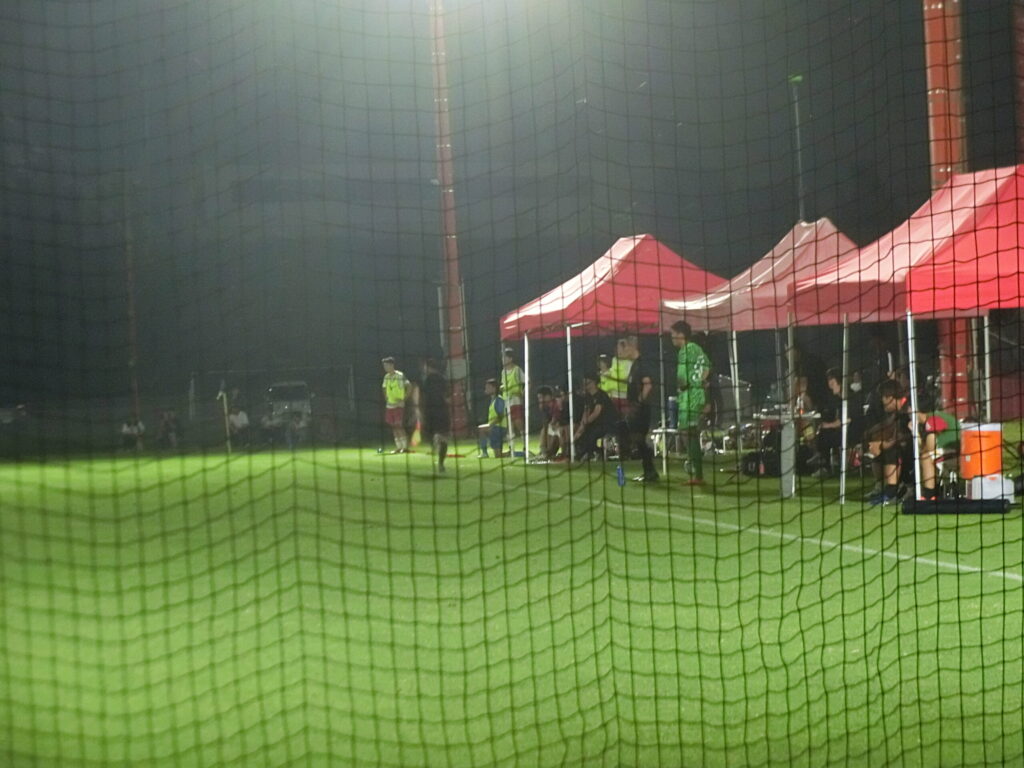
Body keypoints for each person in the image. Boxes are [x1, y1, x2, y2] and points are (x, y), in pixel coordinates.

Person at [671, 320, 711, 486]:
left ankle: (696, 472)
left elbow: (681, 378)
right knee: (690, 432)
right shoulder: (697, 349)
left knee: (687, 433)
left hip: (689, 397)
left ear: (681, 335)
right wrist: (700, 384)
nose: (672, 338)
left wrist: (682, 387)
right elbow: (707, 368)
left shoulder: (684, 351)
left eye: (673, 334)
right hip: (698, 394)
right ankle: (696, 470)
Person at [617, 335, 658, 483]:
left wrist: (639, 402)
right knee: (637, 440)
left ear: (631, 346)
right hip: (636, 409)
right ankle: (649, 471)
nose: (620, 352)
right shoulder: (635, 365)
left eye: (622, 348)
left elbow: (648, 384)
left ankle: (650, 471)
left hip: (641, 410)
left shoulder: (641, 364)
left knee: (638, 439)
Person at [864, 379, 912, 505]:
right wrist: (870, 434)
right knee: (882, 450)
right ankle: (890, 487)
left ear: (890, 397)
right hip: (905, 447)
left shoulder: (907, 411)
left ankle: (892, 491)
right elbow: (887, 425)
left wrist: (881, 445)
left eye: (883, 398)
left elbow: (903, 438)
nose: (882, 401)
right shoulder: (897, 412)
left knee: (892, 451)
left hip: (915, 450)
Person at [915, 395, 960, 500]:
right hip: (956, 451)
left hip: (954, 453)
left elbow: (930, 445)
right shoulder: (939, 416)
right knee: (926, 455)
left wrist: (920, 444)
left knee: (926, 457)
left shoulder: (932, 419)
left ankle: (929, 494)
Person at [573, 374, 617, 462]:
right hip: (594, 424)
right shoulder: (588, 396)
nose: (585, 385)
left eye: (587, 383)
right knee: (580, 437)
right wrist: (581, 428)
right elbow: (586, 411)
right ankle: (589, 453)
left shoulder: (601, 395)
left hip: (606, 423)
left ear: (594, 383)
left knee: (591, 435)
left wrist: (586, 424)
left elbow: (596, 412)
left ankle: (593, 453)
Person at [418, 358, 451, 474]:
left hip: (430, 411)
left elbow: (423, 396)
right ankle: (441, 463)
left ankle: (434, 441)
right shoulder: (443, 379)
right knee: (444, 437)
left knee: (430, 433)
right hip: (442, 410)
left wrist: (420, 410)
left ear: (428, 367)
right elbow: (448, 396)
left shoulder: (426, 380)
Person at [812, 369, 843, 477]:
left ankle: (823, 461)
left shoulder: (849, 398)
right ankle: (822, 458)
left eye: (832, 382)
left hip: (850, 432)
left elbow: (846, 420)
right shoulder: (836, 399)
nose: (830, 385)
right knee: (823, 431)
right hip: (839, 430)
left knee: (825, 435)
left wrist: (828, 425)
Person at [381, 356, 411, 453]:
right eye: (384, 366)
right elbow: (384, 388)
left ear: (392, 365)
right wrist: (386, 398)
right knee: (393, 426)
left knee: (399, 425)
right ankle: (398, 447)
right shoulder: (386, 377)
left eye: (386, 365)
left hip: (398, 404)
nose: (385, 367)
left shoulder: (400, 375)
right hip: (390, 405)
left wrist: (404, 399)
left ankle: (405, 447)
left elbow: (409, 386)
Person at [500, 348, 525, 446]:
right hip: (506, 400)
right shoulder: (503, 372)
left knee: (518, 421)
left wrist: (523, 393)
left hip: (515, 400)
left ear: (510, 358)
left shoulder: (517, 370)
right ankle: (511, 446)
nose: (503, 359)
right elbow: (503, 384)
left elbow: (527, 382)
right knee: (508, 423)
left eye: (505, 357)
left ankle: (524, 442)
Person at [478, 379, 507, 458]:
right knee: (498, 455)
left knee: (481, 429)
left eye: (488, 387)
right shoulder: (493, 399)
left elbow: (500, 416)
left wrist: (491, 425)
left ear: (494, 388)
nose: (486, 389)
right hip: (496, 427)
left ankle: (484, 453)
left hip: (499, 428)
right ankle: (518, 454)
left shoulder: (499, 400)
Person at [535, 385, 563, 460]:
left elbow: (555, 420)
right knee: (544, 429)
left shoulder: (556, 404)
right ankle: (544, 452)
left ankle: (548, 453)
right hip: (555, 427)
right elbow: (546, 422)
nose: (540, 400)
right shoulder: (546, 407)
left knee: (550, 429)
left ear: (548, 397)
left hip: (562, 427)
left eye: (541, 397)